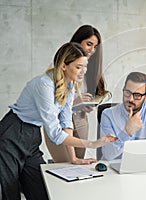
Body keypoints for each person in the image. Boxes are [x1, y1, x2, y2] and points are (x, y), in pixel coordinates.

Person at [0, 42, 117, 200]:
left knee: (42, 192)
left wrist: (73, 158)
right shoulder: (44, 85)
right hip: (12, 134)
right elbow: (55, 134)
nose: (83, 72)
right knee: (10, 193)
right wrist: (92, 144)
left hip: (32, 137)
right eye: (78, 67)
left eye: (85, 66)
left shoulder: (69, 87)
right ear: (64, 66)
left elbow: (66, 123)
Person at [44, 25, 111, 163]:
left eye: (95, 47)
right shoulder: (61, 64)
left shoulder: (89, 68)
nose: (92, 50)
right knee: (63, 164)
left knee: (77, 165)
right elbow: (50, 103)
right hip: (58, 121)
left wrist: (87, 104)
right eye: (89, 44)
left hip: (80, 120)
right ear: (78, 42)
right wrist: (75, 102)